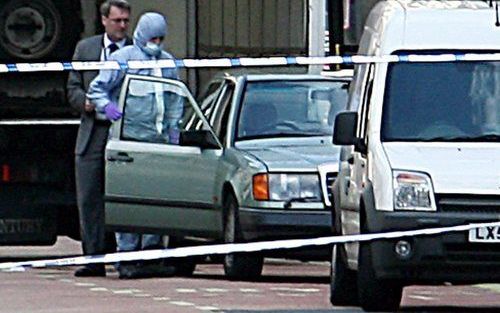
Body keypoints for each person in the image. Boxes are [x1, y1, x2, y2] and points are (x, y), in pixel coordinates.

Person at [87, 12, 180, 279]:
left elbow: (174, 98)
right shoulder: (123, 59)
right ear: (141, 35)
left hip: (158, 142)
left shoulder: (168, 62)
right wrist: (108, 108)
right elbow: (97, 89)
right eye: (153, 38)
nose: (157, 43)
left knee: (155, 200)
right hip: (128, 142)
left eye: (161, 39)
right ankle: (126, 256)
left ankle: (150, 255)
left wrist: (175, 128)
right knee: (128, 199)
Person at [66, 0, 132, 277]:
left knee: (124, 197)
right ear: (104, 20)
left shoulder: (135, 52)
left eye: (126, 20)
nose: (123, 26)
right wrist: (87, 104)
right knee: (90, 198)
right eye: (117, 20)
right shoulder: (86, 49)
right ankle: (93, 258)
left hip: (124, 133)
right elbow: (72, 88)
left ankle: (129, 258)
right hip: (93, 132)